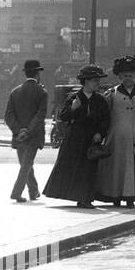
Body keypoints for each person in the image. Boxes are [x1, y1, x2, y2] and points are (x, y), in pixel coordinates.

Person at [95, 55, 135, 207]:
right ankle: (115, 196)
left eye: (131, 75)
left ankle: (132, 197)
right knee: (116, 167)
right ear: (119, 76)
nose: (128, 78)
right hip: (116, 137)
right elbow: (105, 116)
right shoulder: (111, 94)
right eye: (124, 76)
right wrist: (101, 134)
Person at [43, 64, 110, 208]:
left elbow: (106, 120)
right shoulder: (74, 97)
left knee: (89, 168)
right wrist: (73, 108)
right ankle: (73, 195)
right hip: (75, 138)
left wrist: (100, 133)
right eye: (94, 80)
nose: (97, 83)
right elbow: (64, 116)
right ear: (85, 81)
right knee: (73, 167)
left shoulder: (100, 100)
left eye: (98, 80)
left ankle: (86, 198)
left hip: (92, 138)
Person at [4, 58, 49, 202]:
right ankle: (16, 193)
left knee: (26, 163)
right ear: (37, 74)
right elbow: (40, 116)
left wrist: (19, 131)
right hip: (33, 135)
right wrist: (28, 131)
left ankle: (33, 191)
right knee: (26, 165)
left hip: (18, 136)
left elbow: (8, 116)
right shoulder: (42, 92)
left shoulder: (15, 92)